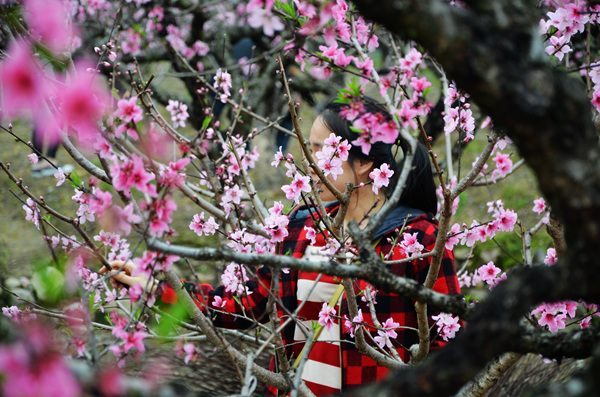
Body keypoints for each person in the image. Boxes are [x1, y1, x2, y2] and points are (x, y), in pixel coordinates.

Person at [105, 97, 461, 396]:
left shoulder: (418, 240)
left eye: (321, 150)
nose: (309, 163)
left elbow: (448, 346)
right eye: (308, 148)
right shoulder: (302, 225)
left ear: (365, 162)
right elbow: (247, 303)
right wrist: (157, 286)